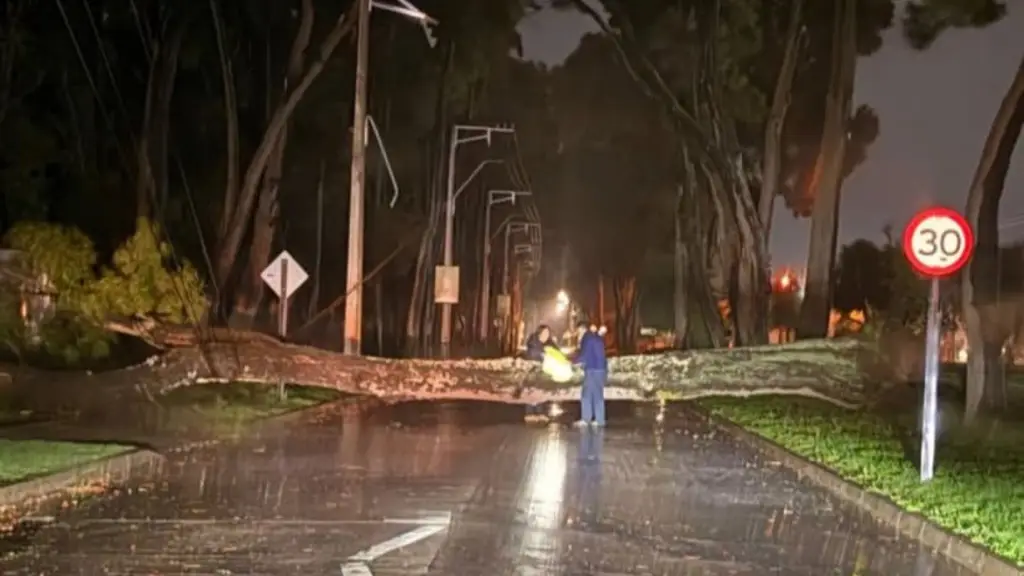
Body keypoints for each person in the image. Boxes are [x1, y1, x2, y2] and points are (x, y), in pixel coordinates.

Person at [573, 320, 608, 427]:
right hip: (600, 368)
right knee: (596, 394)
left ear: (582, 329)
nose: (577, 333)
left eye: (578, 331)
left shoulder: (587, 338)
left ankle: (587, 419)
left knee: (587, 394)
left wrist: (573, 362)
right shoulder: (594, 337)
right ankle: (599, 419)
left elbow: (585, 355)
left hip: (593, 369)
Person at [522, 325, 557, 423]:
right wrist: (543, 355)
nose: (547, 335)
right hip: (532, 371)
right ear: (539, 333)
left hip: (541, 371)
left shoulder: (546, 343)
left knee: (540, 391)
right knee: (531, 391)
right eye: (545, 333)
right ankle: (529, 413)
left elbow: (555, 350)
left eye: (548, 333)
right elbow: (533, 354)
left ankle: (539, 412)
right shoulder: (534, 343)